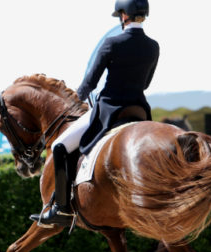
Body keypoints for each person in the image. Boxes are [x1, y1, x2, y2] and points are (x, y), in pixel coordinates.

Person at [32, 0, 159, 226]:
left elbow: (90, 81)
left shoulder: (112, 42)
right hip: (138, 110)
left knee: (60, 147)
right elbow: (146, 83)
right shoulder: (153, 46)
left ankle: (61, 208)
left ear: (123, 15)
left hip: (109, 109)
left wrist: (77, 100)